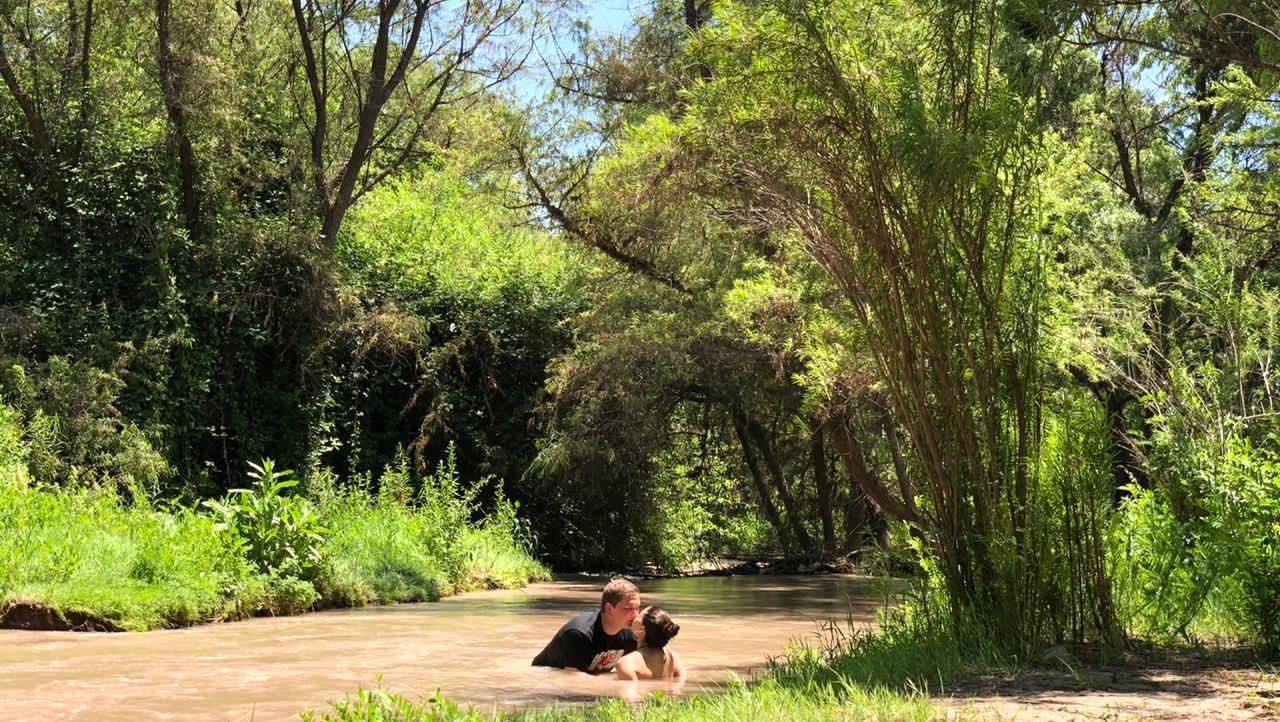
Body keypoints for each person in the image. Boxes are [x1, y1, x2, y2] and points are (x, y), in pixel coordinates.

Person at [531, 577, 640, 674]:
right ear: (609, 609)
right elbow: (574, 680)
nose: (636, 615)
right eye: (629, 608)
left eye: (637, 608)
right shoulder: (579, 634)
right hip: (542, 677)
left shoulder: (631, 636)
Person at [614, 606, 685, 681]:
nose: (635, 614)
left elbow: (629, 692)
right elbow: (679, 684)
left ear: (642, 630)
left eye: (639, 614)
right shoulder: (673, 658)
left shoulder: (627, 663)